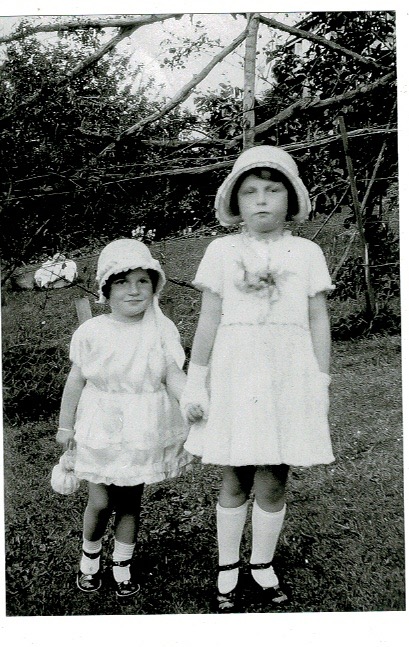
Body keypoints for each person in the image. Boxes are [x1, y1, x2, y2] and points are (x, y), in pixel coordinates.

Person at [180, 145, 334, 612]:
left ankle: (262, 562)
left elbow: (318, 319)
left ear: (291, 199)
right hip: (236, 369)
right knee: (235, 472)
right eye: (250, 192)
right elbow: (208, 319)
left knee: (274, 475)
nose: (262, 200)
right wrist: (196, 378)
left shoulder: (306, 252)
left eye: (273, 190)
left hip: (289, 371)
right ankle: (229, 565)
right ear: (236, 202)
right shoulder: (221, 251)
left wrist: (320, 380)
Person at [55, 239, 192, 598]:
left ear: (154, 286)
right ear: (105, 289)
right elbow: (76, 380)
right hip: (102, 425)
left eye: (142, 281)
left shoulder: (161, 330)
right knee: (100, 501)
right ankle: (90, 555)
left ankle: (123, 563)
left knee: (130, 501)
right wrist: (65, 425)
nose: (134, 290)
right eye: (122, 281)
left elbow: (171, 374)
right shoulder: (93, 332)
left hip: (143, 428)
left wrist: (192, 397)